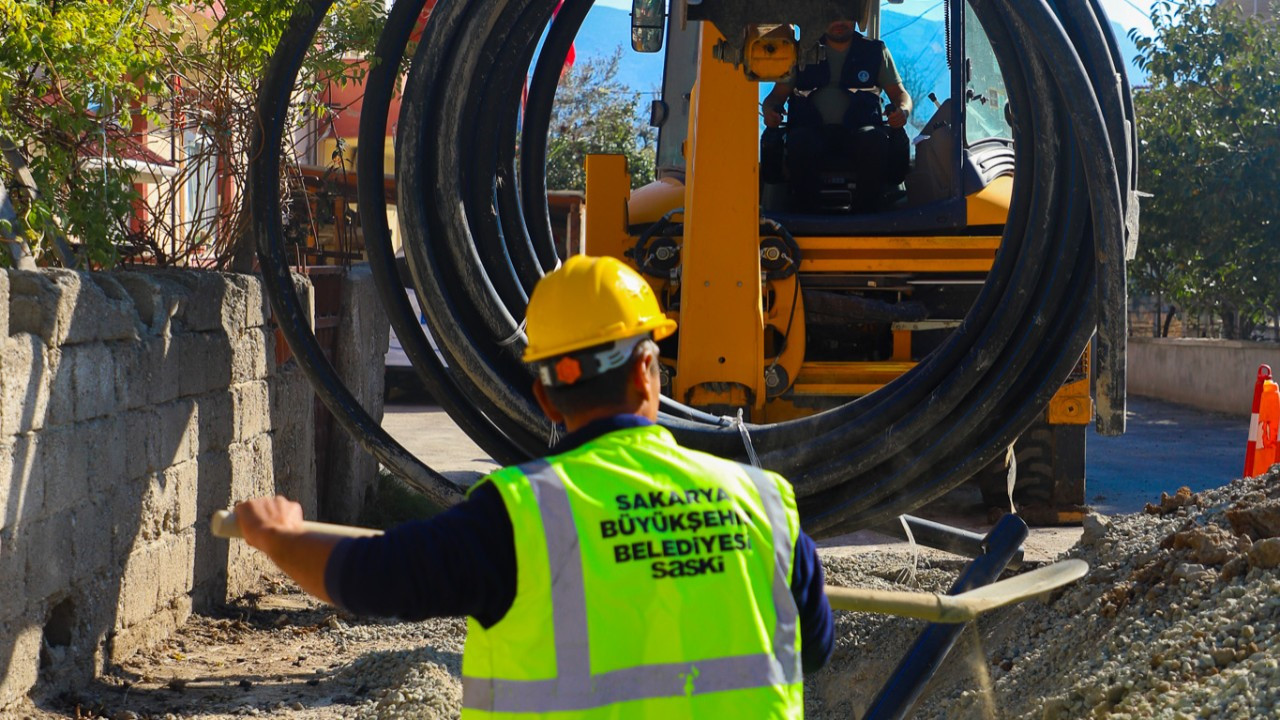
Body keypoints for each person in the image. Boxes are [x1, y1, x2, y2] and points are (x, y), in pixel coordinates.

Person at [233, 255, 833, 717]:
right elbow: (811, 650)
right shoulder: (764, 502)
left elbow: (372, 577)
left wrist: (280, 537)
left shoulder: (519, 517)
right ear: (649, 372)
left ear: (545, 396)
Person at [762, 18, 913, 213]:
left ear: (856, 18)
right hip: (812, 132)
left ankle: (866, 214)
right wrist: (769, 111)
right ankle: (807, 215)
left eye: (845, 16)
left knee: (875, 139)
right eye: (832, 17)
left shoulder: (875, 51)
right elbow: (774, 98)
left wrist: (903, 110)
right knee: (799, 141)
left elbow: (901, 95)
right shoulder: (800, 52)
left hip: (859, 133)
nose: (839, 22)